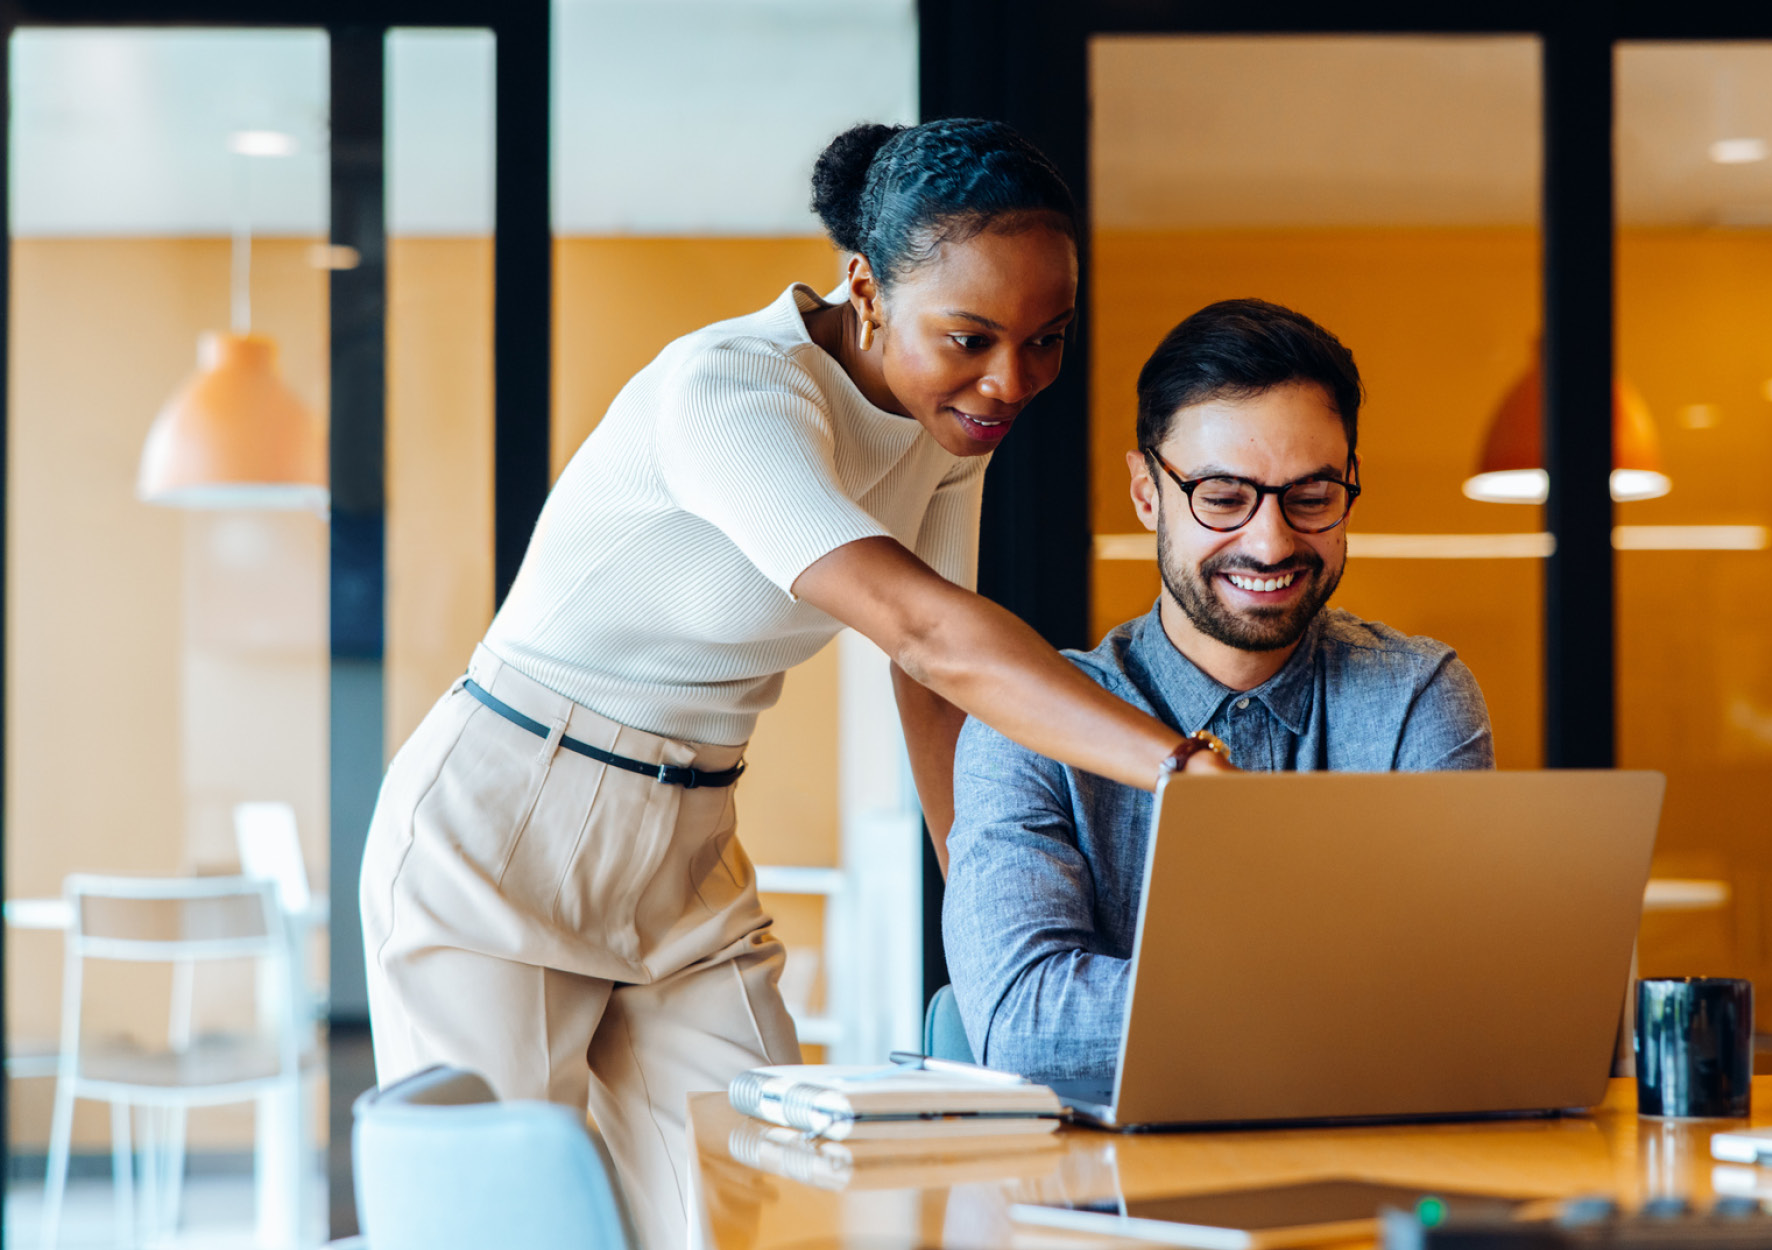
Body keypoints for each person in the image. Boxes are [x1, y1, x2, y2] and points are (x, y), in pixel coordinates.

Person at [358, 118, 1232, 1250]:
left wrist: (978, 902)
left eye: (1046, 340)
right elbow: (925, 631)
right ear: (864, 288)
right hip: (506, 821)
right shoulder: (730, 391)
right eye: (970, 337)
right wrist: (1177, 768)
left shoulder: (947, 425)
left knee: (758, 1207)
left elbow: (934, 687)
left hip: (688, 841)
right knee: (504, 1226)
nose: (1010, 380)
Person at [942, 298, 1495, 1084]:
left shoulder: (1415, 698)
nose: (1270, 543)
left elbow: (1466, 1004)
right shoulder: (1023, 725)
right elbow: (1027, 1028)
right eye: (1224, 498)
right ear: (1146, 494)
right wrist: (1360, 999)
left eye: (1311, 497)